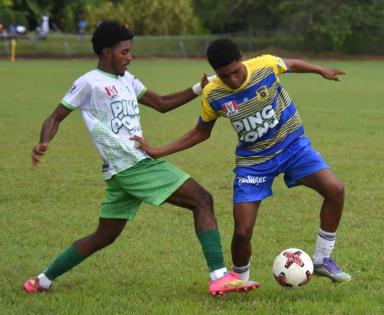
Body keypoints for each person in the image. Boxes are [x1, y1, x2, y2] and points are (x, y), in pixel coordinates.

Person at [23, 22, 259, 296]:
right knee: (202, 199)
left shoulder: (127, 79)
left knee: (104, 235)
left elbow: (162, 104)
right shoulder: (88, 82)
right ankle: (219, 276)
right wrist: (44, 141)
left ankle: (42, 280)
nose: (129, 56)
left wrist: (198, 88)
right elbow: (55, 117)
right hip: (133, 163)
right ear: (107, 52)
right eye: (124, 52)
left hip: (121, 170)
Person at [133, 38, 352, 284]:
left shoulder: (265, 65)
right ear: (216, 73)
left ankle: (323, 258)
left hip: (293, 147)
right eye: (225, 76)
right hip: (254, 162)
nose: (233, 80)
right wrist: (160, 151)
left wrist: (320, 70)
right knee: (242, 232)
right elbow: (201, 132)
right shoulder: (212, 93)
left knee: (335, 190)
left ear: (242, 59)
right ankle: (239, 279)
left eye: (236, 71)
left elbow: (291, 64)